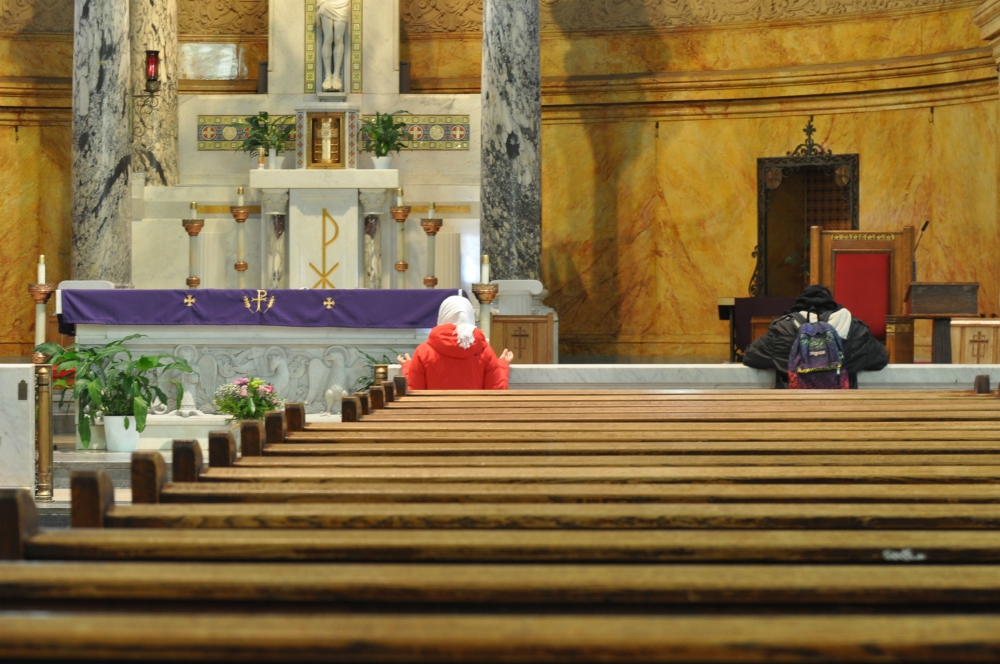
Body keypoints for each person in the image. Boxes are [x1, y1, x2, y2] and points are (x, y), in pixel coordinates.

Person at [742, 285, 888, 388]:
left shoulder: (782, 330)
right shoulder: (854, 329)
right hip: (841, 414)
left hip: (794, 415)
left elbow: (750, 357)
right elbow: (881, 358)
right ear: (831, 305)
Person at [398, 295, 514, 390]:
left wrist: (408, 366)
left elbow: (413, 390)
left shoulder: (423, 351)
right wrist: (502, 365)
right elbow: (496, 391)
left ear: (442, 316)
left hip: (435, 417)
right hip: (473, 417)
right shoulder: (484, 351)